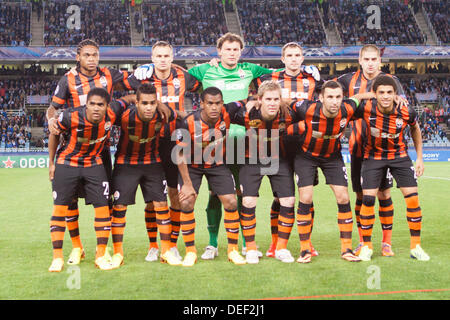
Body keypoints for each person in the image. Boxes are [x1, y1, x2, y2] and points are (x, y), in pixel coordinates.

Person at [46, 39, 134, 266]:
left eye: (95, 55)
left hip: (100, 150)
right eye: (87, 55)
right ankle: (77, 247)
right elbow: (53, 108)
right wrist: (50, 121)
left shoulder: (109, 74)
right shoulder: (68, 79)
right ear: (78, 57)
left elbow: (138, 78)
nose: (92, 59)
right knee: (70, 200)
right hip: (73, 147)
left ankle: (104, 249)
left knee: (105, 200)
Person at [126, 41, 201, 262]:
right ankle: (153, 245)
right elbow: (117, 85)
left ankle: (173, 245)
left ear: (172, 57)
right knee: (152, 200)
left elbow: (206, 80)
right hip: (149, 141)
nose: (162, 60)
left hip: (175, 140)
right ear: (152, 57)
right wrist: (133, 72)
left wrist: (213, 62)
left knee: (175, 197)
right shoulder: (142, 77)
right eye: (158, 56)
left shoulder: (183, 76)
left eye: (166, 56)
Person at [287, 80, 377, 263]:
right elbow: (286, 100)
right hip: (306, 156)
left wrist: (382, 95)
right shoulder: (306, 108)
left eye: (338, 97)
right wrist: (256, 101)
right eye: (330, 97)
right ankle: (305, 250)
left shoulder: (348, 109)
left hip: (332, 157)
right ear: (321, 98)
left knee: (343, 197)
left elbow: (358, 96)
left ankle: (346, 249)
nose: (334, 101)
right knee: (305, 198)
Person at [336, 44, 406, 257]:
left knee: (384, 194)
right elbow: (335, 102)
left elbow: (402, 107)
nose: (370, 63)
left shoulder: (391, 81)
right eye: (366, 59)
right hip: (358, 147)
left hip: (383, 150)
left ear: (379, 61)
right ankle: (363, 241)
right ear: (360, 60)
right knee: (361, 195)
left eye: (374, 59)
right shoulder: (346, 80)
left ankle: (386, 243)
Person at [256, 42, 322, 258]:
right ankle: (275, 244)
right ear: (282, 59)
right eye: (289, 56)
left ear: (303, 58)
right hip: (280, 144)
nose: (294, 59)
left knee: (306, 198)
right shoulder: (270, 78)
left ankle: (308, 243)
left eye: (298, 55)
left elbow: (332, 93)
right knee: (280, 198)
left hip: (305, 145)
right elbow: (245, 73)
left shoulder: (313, 78)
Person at [354, 75, 429, 262]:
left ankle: (416, 247)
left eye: (389, 92)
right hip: (373, 157)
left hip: (399, 157)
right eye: (381, 93)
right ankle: (367, 247)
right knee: (369, 200)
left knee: (412, 199)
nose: (386, 96)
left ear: (396, 94)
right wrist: (364, 96)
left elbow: (415, 129)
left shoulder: (406, 110)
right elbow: (348, 103)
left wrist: (419, 158)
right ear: (375, 94)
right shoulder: (365, 108)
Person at [110, 83, 181, 268]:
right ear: (137, 102)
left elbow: (180, 117)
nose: (149, 107)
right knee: (119, 208)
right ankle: (117, 253)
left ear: (157, 102)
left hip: (152, 162)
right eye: (144, 103)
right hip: (125, 163)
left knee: (161, 205)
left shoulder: (163, 114)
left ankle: (164, 251)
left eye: (152, 103)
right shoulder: (123, 116)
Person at [174, 86, 247, 267]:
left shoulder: (227, 112)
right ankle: (191, 252)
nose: (214, 107)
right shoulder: (188, 122)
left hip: (217, 164)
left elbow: (244, 101)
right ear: (202, 104)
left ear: (222, 103)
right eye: (210, 103)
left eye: (217, 103)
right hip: (192, 166)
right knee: (186, 201)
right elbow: (179, 154)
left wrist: (253, 101)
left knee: (231, 201)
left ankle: (233, 250)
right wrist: (187, 184)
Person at [231, 80, 297, 264]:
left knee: (288, 201)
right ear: (259, 99)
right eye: (268, 99)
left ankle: (281, 248)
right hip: (251, 159)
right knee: (249, 200)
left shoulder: (290, 114)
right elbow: (224, 110)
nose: (272, 103)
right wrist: (246, 102)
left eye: (276, 99)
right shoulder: (246, 113)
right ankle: (250, 248)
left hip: (278, 160)